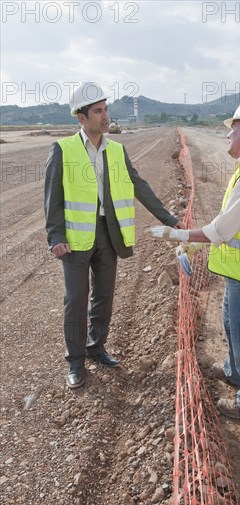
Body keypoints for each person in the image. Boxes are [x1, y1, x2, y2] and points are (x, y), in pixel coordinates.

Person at [145, 98, 240, 422]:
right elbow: (230, 223)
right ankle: (234, 372)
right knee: (232, 326)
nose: (227, 135)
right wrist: (194, 246)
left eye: (232, 128)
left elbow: (221, 229)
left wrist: (179, 236)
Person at [44, 81, 184, 389]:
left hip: (110, 234)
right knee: (76, 300)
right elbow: (53, 196)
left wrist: (170, 219)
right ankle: (76, 362)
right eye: (98, 111)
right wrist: (55, 236)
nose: (105, 116)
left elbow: (139, 186)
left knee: (104, 297)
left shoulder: (117, 150)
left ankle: (96, 347)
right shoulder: (63, 149)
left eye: (106, 109)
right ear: (81, 118)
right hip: (76, 239)